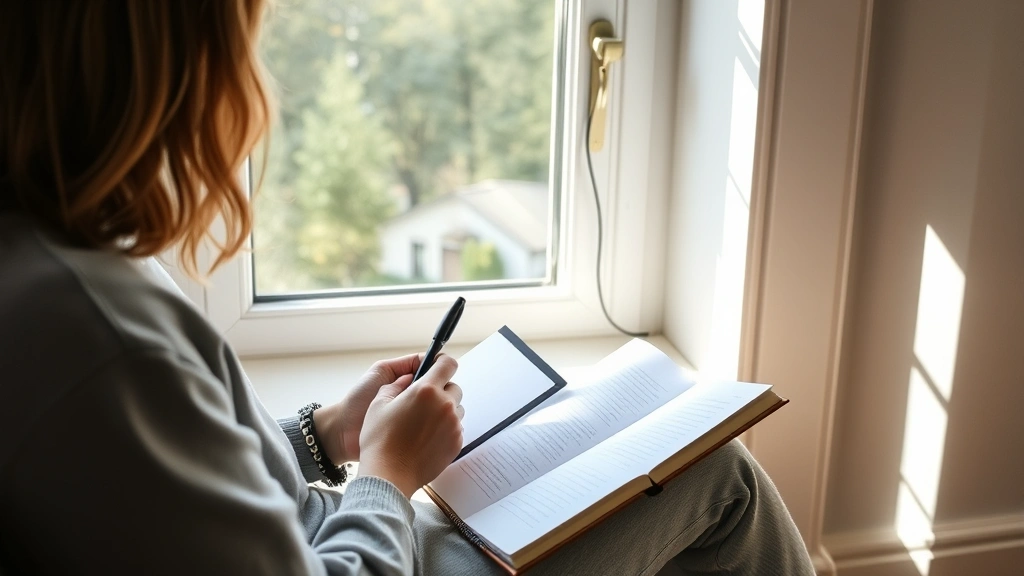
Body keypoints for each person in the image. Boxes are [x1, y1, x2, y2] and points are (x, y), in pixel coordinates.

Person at [0, 2, 815, 575]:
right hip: (365, 553)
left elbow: (174, 496)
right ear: (166, 76)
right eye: (240, 46)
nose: (253, 85)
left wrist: (323, 434)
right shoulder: (102, 339)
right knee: (720, 480)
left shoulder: (56, 258)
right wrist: (388, 474)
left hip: (338, 534)